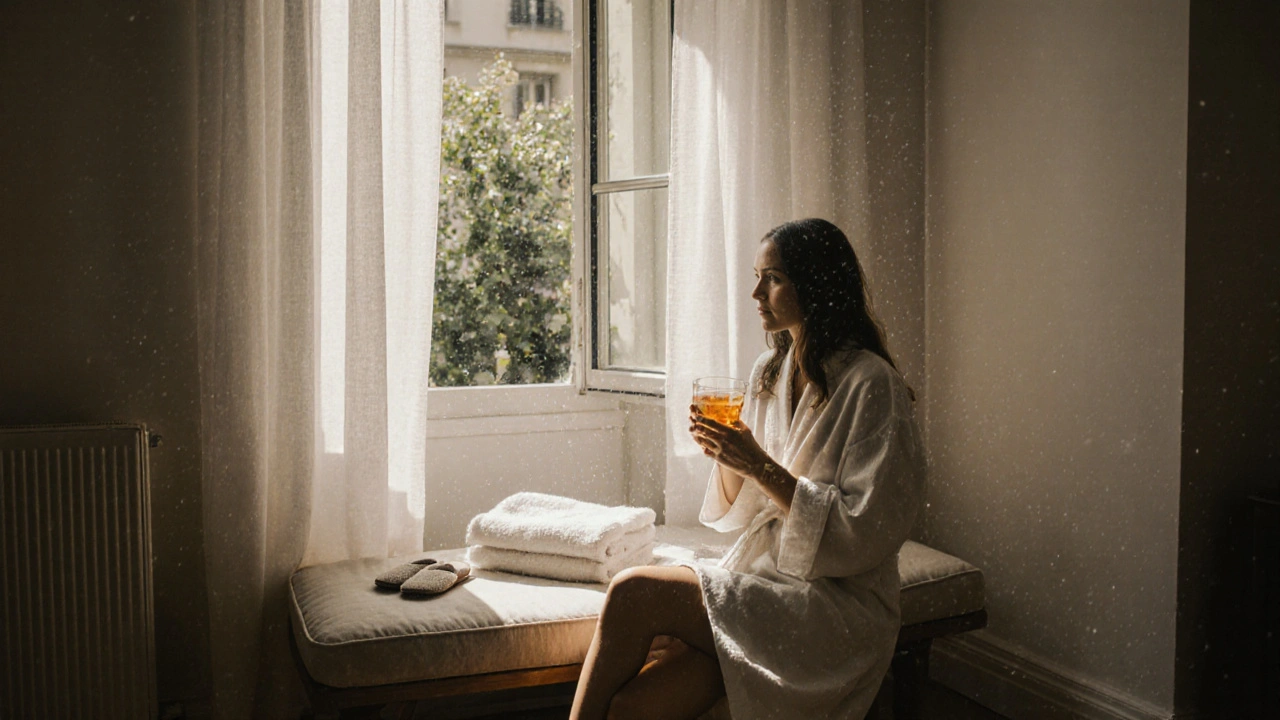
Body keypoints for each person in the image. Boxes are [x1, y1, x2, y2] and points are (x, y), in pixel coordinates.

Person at [569, 218, 926, 720]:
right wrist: (728, 455)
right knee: (633, 707)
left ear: (817, 285)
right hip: (767, 581)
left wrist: (757, 463)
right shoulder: (769, 371)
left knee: (634, 591)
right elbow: (746, 506)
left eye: (773, 279)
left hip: (835, 605)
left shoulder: (873, 385)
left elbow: (869, 531)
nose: (757, 293)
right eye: (757, 277)